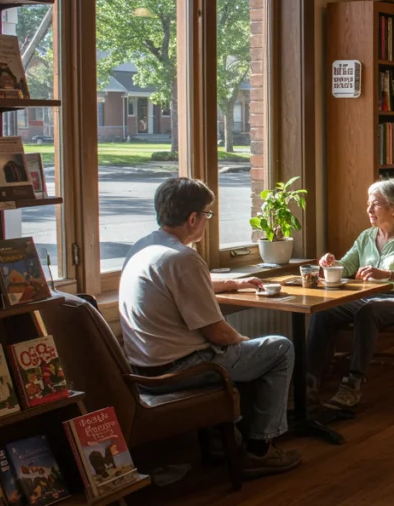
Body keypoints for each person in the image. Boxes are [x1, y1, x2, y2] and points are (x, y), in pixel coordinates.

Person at [119, 177, 300, 478]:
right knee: (280, 348)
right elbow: (216, 333)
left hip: (144, 368)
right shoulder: (183, 259)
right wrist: (240, 340)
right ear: (193, 219)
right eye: (207, 214)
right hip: (184, 368)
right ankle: (260, 449)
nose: (207, 221)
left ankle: (223, 442)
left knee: (249, 353)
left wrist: (233, 283)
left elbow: (183, 285)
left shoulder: (146, 247)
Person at [310, 178, 394, 410]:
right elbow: (346, 266)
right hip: (365, 298)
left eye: (375, 204)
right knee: (323, 311)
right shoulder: (366, 236)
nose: (368, 210)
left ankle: (353, 384)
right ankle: (310, 381)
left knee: (368, 311)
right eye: (368, 204)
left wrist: (387, 274)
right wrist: (330, 264)